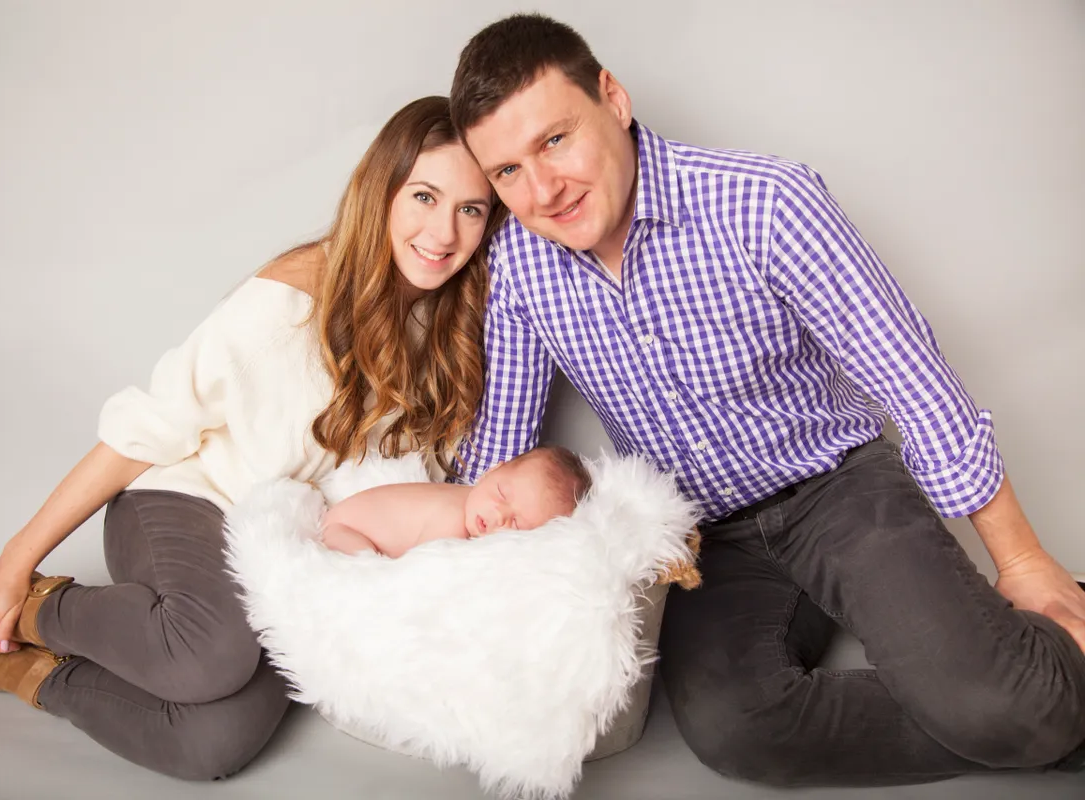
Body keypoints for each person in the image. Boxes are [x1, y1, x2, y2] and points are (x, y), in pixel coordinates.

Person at [447, 13, 1085, 786]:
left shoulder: (764, 202)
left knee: (996, 701)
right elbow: (499, 454)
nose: (543, 190)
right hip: (704, 540)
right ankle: (1031, 715)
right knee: (733, 730)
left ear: (612, 98)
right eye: (507, 172)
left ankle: (1019, 704)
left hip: (838, 490)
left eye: (555, 140)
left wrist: (1022, 560)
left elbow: (915, 381)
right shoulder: (518, 267)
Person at [0, 95, 506, 780]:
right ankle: (29, 607)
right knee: (211, 654)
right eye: (424, 196)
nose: (443, 231)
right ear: (381, 190)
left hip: (279, 544)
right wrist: (10, 567)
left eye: (470, 209)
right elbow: (138, 436)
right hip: (182, 499)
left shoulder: (451, 327)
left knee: (212, 742)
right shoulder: (289, 304)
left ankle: (14, 671)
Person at [321, 444, 591, 556]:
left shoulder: (472, 502)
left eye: (517, 524)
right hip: (343, 529)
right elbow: (421, 571)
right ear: (491, 471)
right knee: (368, 572)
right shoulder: (452, 521)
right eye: (501, 494)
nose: (498, 515)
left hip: (348, 520)